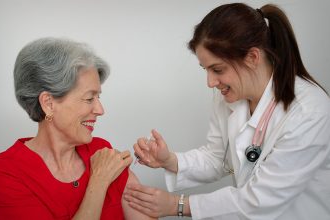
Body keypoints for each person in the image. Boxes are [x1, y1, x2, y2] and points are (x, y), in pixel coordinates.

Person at [124, 3, 330, 220]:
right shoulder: (230, 96)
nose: (210, 82)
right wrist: (170, 161)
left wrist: (177, 205)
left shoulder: (309, 112)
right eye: (206, 70)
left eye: (218, 69)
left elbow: (259, 201)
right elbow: (217, 159)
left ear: (252, 57)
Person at [0, 37, 156, 220]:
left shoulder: (101, 152)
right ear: (48, 103)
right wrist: (99, 181)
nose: (100, 110)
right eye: (89, 99)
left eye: (98, 98)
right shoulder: (4, 174)